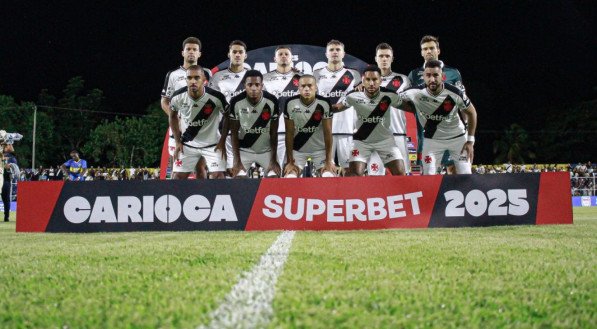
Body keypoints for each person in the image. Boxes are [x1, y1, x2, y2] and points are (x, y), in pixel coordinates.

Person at [398, 60, 477, 175]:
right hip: (432, 140)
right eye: (428, 75)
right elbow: (393, 100)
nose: (432, 79)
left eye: (436, 75)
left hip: (457, 139)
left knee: (465, 174)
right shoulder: (414, 92)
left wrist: (470, 141)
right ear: (424, 77)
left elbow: (472, 113)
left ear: (442, 76)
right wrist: (414, 108)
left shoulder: (455, 93)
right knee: (428, 175)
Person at [332, 65, 407, 176]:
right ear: (363, 80)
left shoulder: (390, 95)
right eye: (368, 80)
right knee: (354, 175)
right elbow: (337, 107)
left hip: (385, 141)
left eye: (375, 79)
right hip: (361, 142)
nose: (371, 83)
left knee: (401, 174)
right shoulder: (353, 96)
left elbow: (410, 107)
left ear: (380, 80)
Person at [408, 35, 466, 173]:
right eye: (425, 49)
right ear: (421, 52)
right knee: (427, 173)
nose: (428, 51)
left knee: (454, 170)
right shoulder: (414, 75)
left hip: (452, 133)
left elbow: (463, 104)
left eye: (432, 48)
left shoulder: (453, 73)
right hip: (426, 134)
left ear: (438, 50)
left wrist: (466, 128)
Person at [169, 65, 228, 180]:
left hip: (212, 145)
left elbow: (229, 117)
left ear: (204, 80)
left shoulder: (216, 97)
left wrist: (223, 139)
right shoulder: (177, 97)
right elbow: (172, 117)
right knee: (177, 178)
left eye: (197, 78)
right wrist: (177, 142)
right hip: (188, 144)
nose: (193, 81)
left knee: (218, 177)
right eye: (189, 78)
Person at [314, 40, 361, 175]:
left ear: (343, 53)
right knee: (324, 169)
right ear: (326, 53)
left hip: (347, 129)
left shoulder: (354, 74)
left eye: (338, 50)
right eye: (332, 50)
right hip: (323, 129)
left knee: (348, 170)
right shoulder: (316, 74)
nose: (335, 52)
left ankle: (348, 195)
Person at [367, 42, 412, 176]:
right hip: (376, 137)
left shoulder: (403, 80)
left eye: (387, 56)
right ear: (376, 59)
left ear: (392, 58)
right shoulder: (368, 81)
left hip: (398, 134)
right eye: (381, 56)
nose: (384, 59)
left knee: (403, 177)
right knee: (375, 177)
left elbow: (412, 106)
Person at [227, 70, 281, 178]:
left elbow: (274, 133)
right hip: (244, 151)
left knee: (274, 177)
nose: (253, 88)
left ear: (262, 86)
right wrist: (237, 161)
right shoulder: (236, 101)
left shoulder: (272, 100)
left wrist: (273, 160)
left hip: (266, 151)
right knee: (238, 177)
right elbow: (234, 133)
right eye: (250, 85)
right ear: (244, 85)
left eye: (257, 85)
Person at [209, 40, 249, 174]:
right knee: (225, 171)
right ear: (229, 54)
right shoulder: (218, 77)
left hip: (248, 131)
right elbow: (211, 103)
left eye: (240, 52)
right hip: (224, 130)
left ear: (245, 55)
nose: (237, 55)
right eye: (234, 52)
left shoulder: (252, 76)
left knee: (243, 171)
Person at [283, 74, 335, 177]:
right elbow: (289, 133)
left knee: (328, 176)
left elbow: (328, 132)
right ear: (298, 88)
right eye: (303, 86)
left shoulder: (324, 103)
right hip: (298, 150)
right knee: (290, 177)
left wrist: (328, 160)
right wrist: (290, 161)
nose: (306, 89)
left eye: (310, 85)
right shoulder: (290, 103)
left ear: (316, 87)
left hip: (320, 150)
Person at [263, 45, 302, 168]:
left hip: (297, 131)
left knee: (294, 170)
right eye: (280, 54)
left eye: (286, 54)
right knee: (275, 170)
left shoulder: (301, 78)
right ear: (275, 59)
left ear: (292, 58)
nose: (284, 56)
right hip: (275, 131)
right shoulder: (265, 79)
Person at [2, 143, 17, 222]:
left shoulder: (12, 157)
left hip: (6, 179)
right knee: (6, 199)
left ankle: (6, 216)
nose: (10, 146)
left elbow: (12, 167)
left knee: (6, 198)